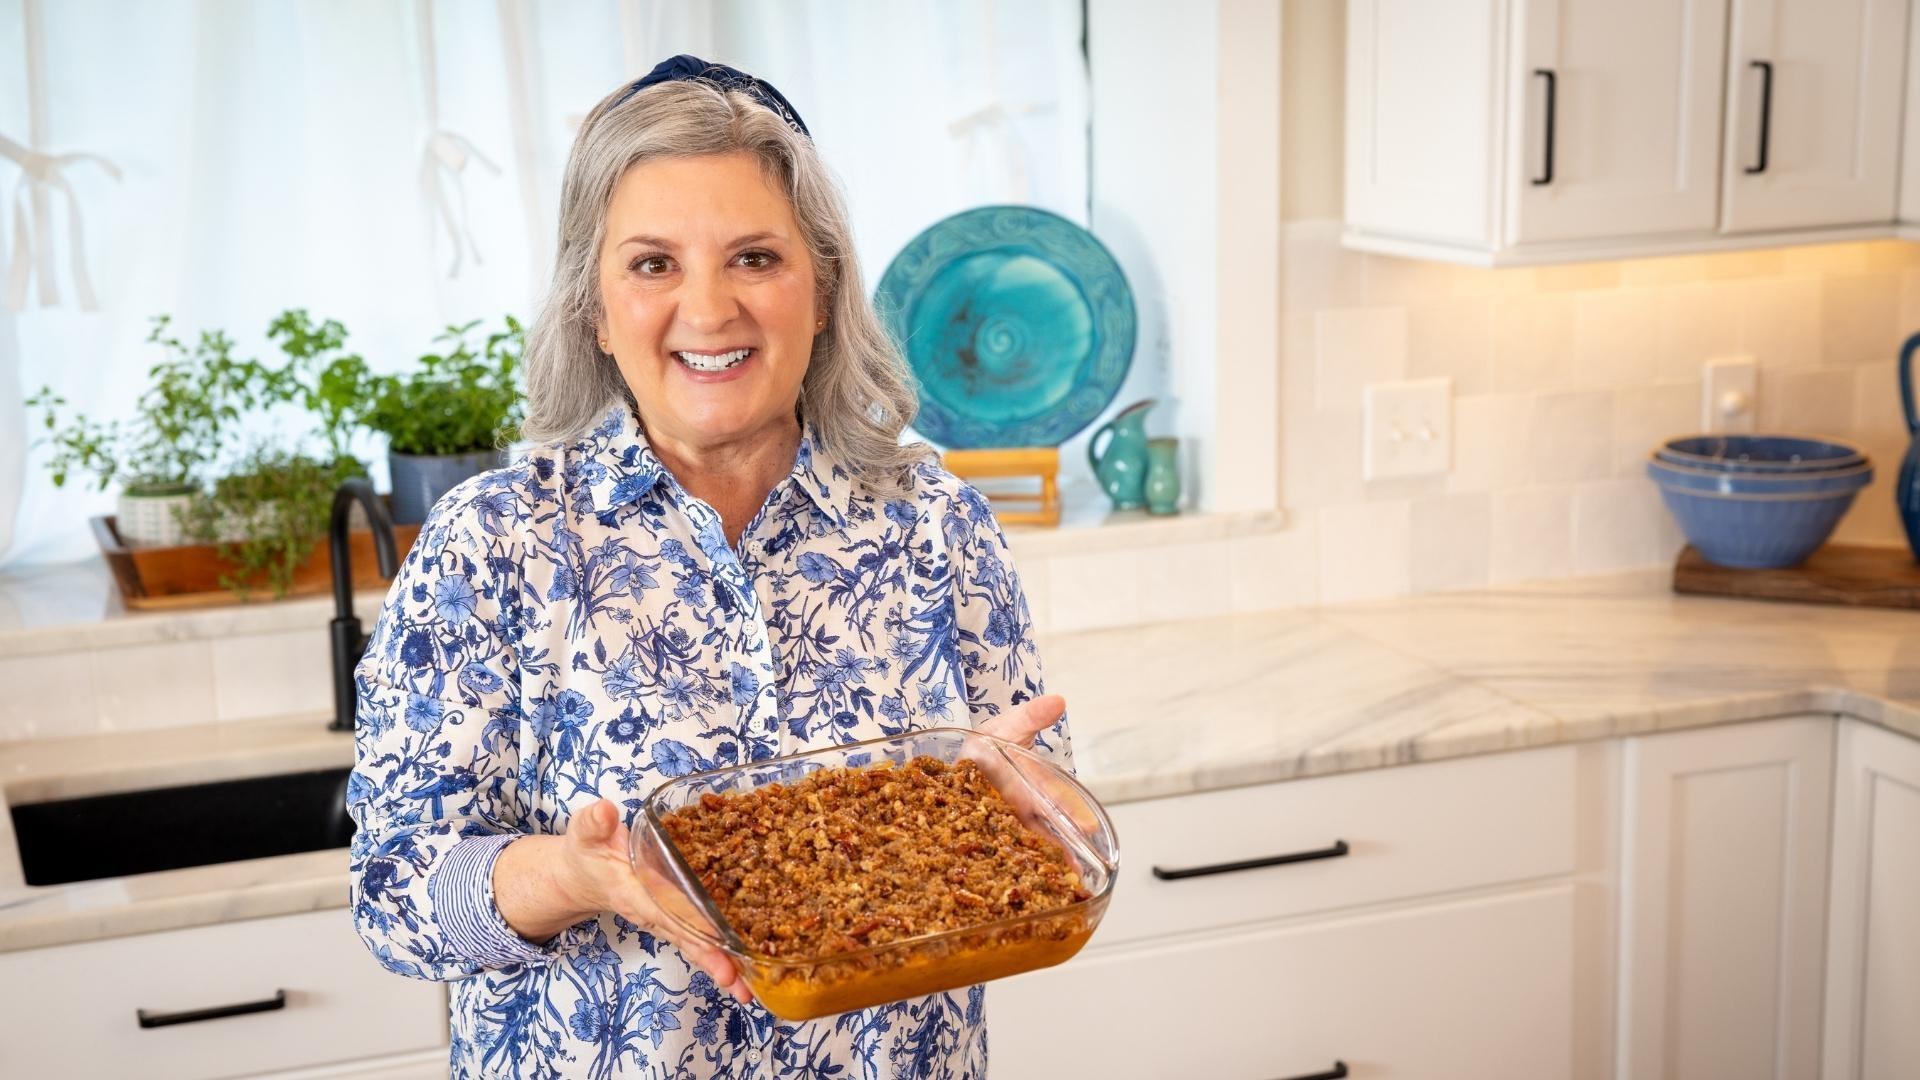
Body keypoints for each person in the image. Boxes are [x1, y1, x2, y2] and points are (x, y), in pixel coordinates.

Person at [347, 55, 1070, 1079]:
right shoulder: (491, 546)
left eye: (754, 258)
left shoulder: (937, 524)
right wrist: (572, 875)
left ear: (819, 290)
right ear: (594, 308)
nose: (710, 308)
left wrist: (1004, 813)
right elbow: (394, 899)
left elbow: (1042, 807)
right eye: (652, 264)